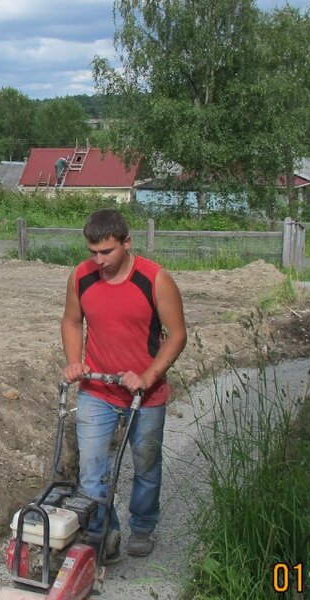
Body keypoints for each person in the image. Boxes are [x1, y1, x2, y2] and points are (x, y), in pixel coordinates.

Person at [60, 208, 187, 562]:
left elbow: (177, 335)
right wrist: (75, 361)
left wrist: (147, 376)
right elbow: (72, 322)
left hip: (144, 396)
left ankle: (143, 526)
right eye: (93, 252)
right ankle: (104, 532)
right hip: (97, 390)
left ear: (127, 242)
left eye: (107, 252)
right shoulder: (81, 277)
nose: (99, 260)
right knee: (92, 469)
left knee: (145, 465)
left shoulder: (155, 279)